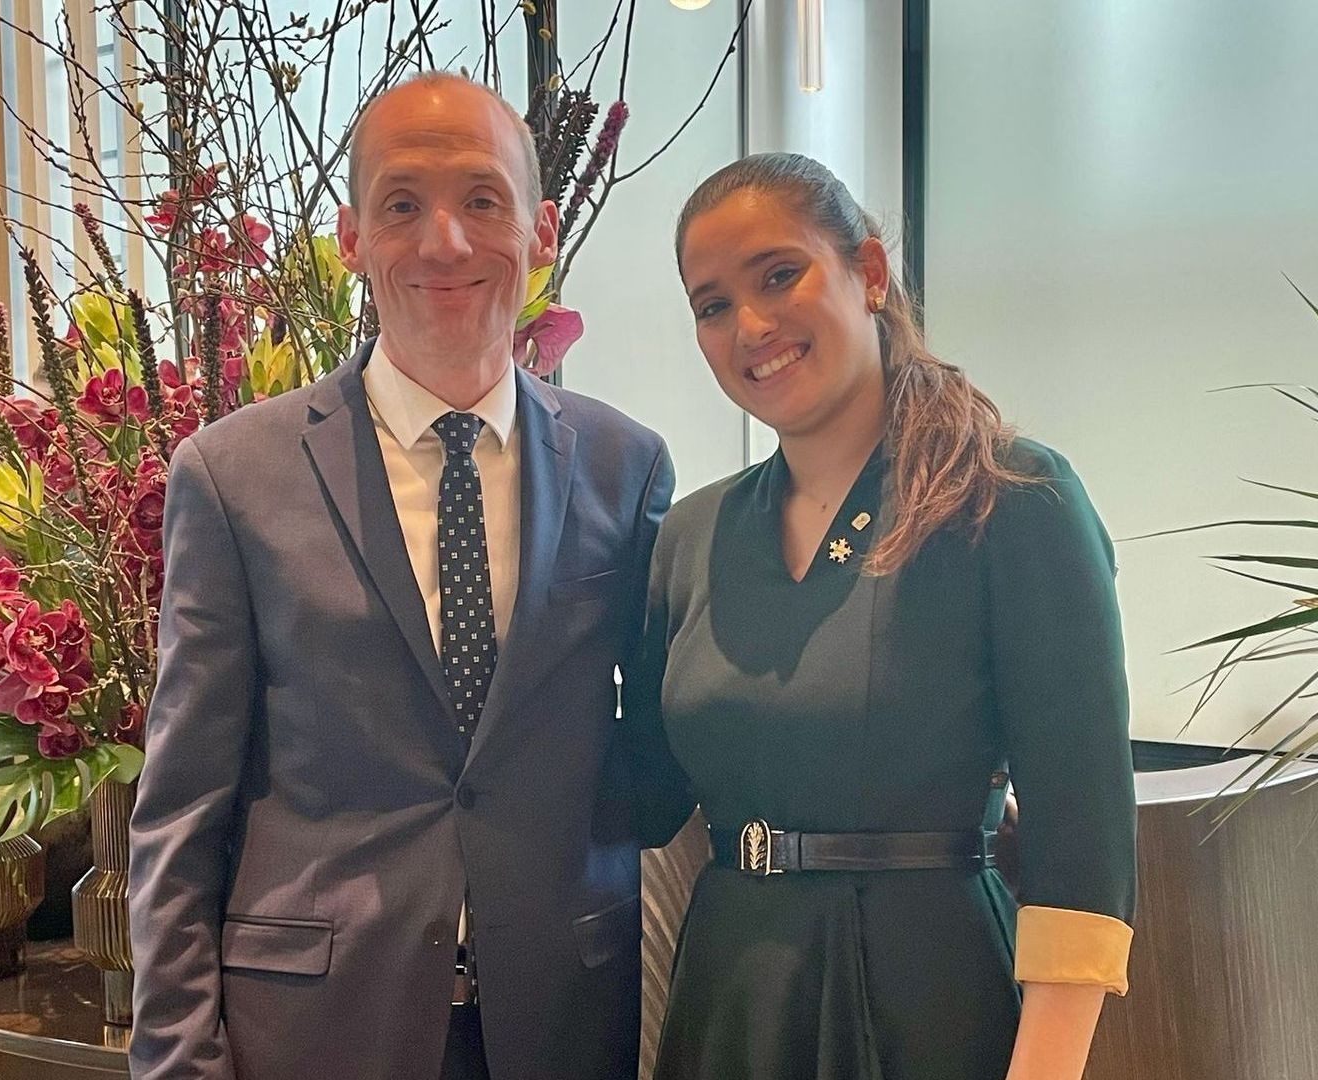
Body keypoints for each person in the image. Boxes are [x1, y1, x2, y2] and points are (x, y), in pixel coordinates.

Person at [129, 73, 677, 1080]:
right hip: (312, 1028)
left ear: (542, 230)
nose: (445, 243)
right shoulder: (233, 475)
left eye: (483, 200)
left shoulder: (625, 467)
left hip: (559, 1019)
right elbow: (182, 808)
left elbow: (652, 753)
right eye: (402, 205)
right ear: (350, 238)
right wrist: (176, 1059)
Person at [632, 152, 1137, 1080]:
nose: (751, 326)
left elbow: (1083, 845)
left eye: (779, 275)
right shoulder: (690, 537)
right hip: (730, 998)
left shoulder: (1009, 498)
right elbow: (637, 794)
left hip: (928, 999)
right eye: (712, 305)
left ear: (867, 272)